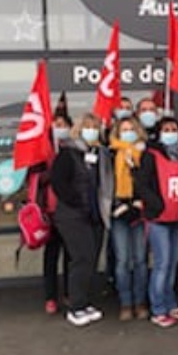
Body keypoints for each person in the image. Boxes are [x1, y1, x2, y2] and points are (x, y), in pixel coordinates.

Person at [49, 113, 114, 326]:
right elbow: (58, 182)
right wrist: (76, 200)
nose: (91, 131)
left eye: (95, 127)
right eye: (87, 127)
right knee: (81, 258)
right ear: (78, 129)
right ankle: (75, 307)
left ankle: (84, 302)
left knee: (92, 259)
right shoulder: (68, 153)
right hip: (73, 215)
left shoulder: (99, 153)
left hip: (95, 214)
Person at [109, 117, 164, 321]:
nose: (128, 133)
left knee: (140, 259)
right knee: (122, 261)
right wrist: (115, 206)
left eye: (131, 129)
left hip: (140, 209)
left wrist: (142, 202)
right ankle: (125, 302)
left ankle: (140, 302)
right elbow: (105, 184)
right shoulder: (111, 154)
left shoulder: (145, 154)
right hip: (118, 211)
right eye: (123, 129)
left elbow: (149, 182)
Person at [145, 117, 178, 327]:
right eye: (166, 129)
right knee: (161, 264)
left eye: (174, 129)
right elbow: (143, 184)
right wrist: (156, 205)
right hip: (159, 219)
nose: (171, 132)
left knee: (173, 264)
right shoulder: (151, 155)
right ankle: (158, 309)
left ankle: (170, 302)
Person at [40, 113, 72, 314]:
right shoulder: (44, 151)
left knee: (71, 255)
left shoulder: (73, 149)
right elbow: (37, 178)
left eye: (63, 125)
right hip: (50, 212)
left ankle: (69, 292)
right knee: (51, 256)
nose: (59, 128)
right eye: (56, 125)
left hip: (69, 210)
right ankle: (50, 296)